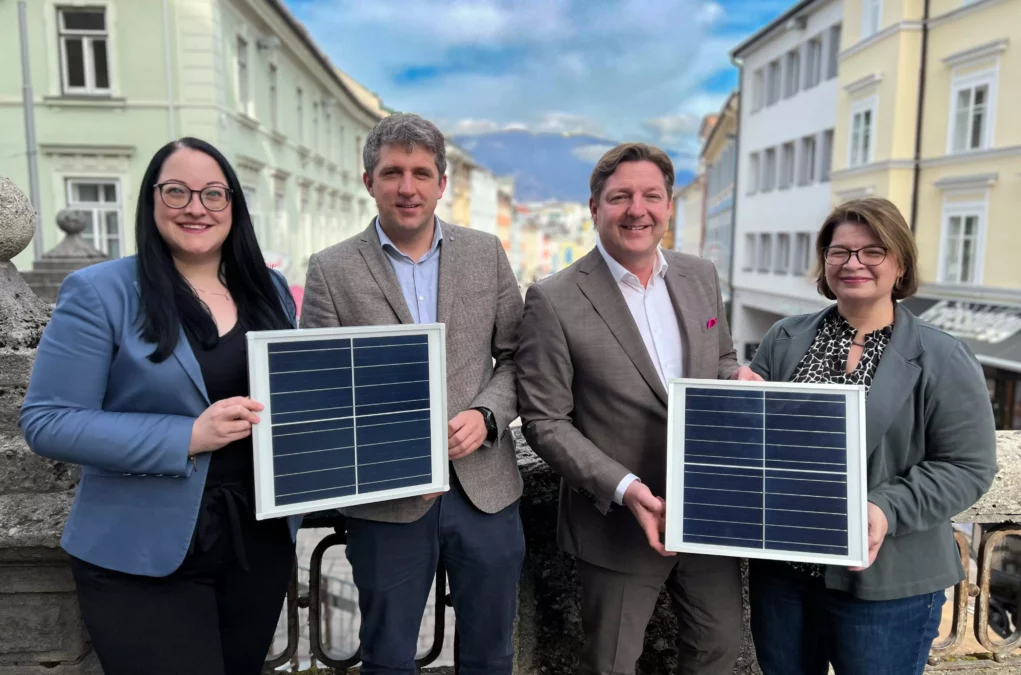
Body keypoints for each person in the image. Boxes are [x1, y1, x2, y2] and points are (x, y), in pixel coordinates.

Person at [20, 137, 302, 675]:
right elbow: (47, 421)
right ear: (152, 202)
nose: (196, 207)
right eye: (177, 191)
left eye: (213, 194)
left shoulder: (268, 289)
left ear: (234, 206)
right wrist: (187, 437)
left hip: (257, 540)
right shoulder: (100, 291)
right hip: (141, 552)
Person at [515, 142, 762, 675]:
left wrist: (735, 377)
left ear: (668, 206)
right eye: (620, 197)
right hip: (617, 521)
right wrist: (626, 489)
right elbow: (544, 421)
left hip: (704, 510)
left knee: (718, 650)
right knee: (610, 664)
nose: (637, 209)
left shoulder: (699, 276)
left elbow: (718, 360)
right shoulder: (554, 298)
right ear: (594, 208)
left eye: (652, 196)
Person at [299, 112, 525, 675]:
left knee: (492, 654)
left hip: (484, 491)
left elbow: (520, 358)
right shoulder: (331, 271)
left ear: (441, 184)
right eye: (393, 172)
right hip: (383, 498)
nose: (407, 187)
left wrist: (487, 415)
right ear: (368, 180)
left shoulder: (485, 252)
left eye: (421, 173)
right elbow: (318, 385)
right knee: (388, 655)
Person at [747, 197, 998, 675]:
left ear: (899, 262)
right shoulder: (783, 339)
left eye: (872, 251)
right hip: (784, 574)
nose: (853, 263)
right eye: (839, 251)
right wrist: (738, 411)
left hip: (887, 585)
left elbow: (969, 467)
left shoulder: (943, 357)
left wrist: (885, 507)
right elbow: (757, 446)